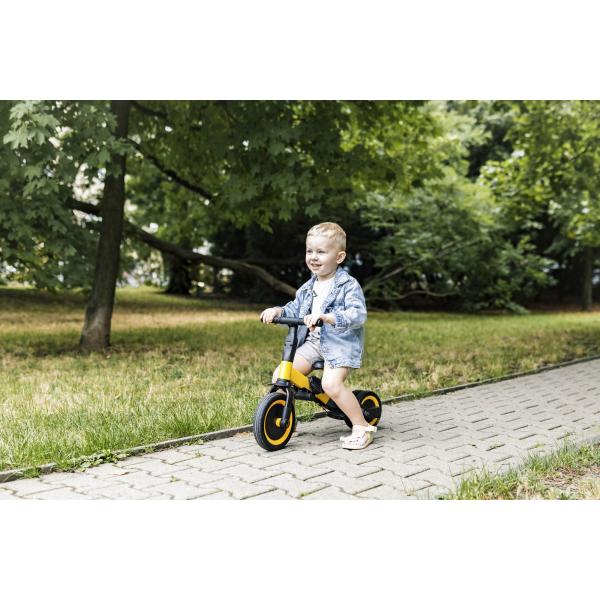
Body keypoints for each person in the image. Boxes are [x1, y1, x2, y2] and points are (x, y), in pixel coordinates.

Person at [260, 222, 376, 450]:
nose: (313, 257)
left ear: (339, 257)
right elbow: (294, 308)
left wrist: (328, 317)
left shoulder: (348, 285)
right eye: (309, 251)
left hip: (340, 343)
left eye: (321, 252)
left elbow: (358, 314)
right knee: (282, 375)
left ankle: (362, 427)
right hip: (313, 343)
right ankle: (285, 418)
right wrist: (277, 311)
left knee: (331, 384)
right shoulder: (307, 287)